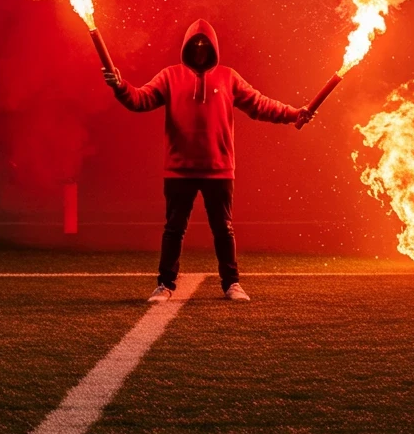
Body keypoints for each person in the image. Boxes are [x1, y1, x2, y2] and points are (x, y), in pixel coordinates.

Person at [103, 19, 312, 302]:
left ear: (212, 48)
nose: (200, 49)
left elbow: (259, 104)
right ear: (188, 47)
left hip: (219, 168)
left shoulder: (229, 77)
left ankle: (231, 284)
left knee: (223, 229)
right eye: (195, 44)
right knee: (174, 229)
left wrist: (292, 114)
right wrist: (120, 86)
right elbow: (140, 100)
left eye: (205, 45)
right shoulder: (170, 76)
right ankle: (165, 285)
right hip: (179, 169)